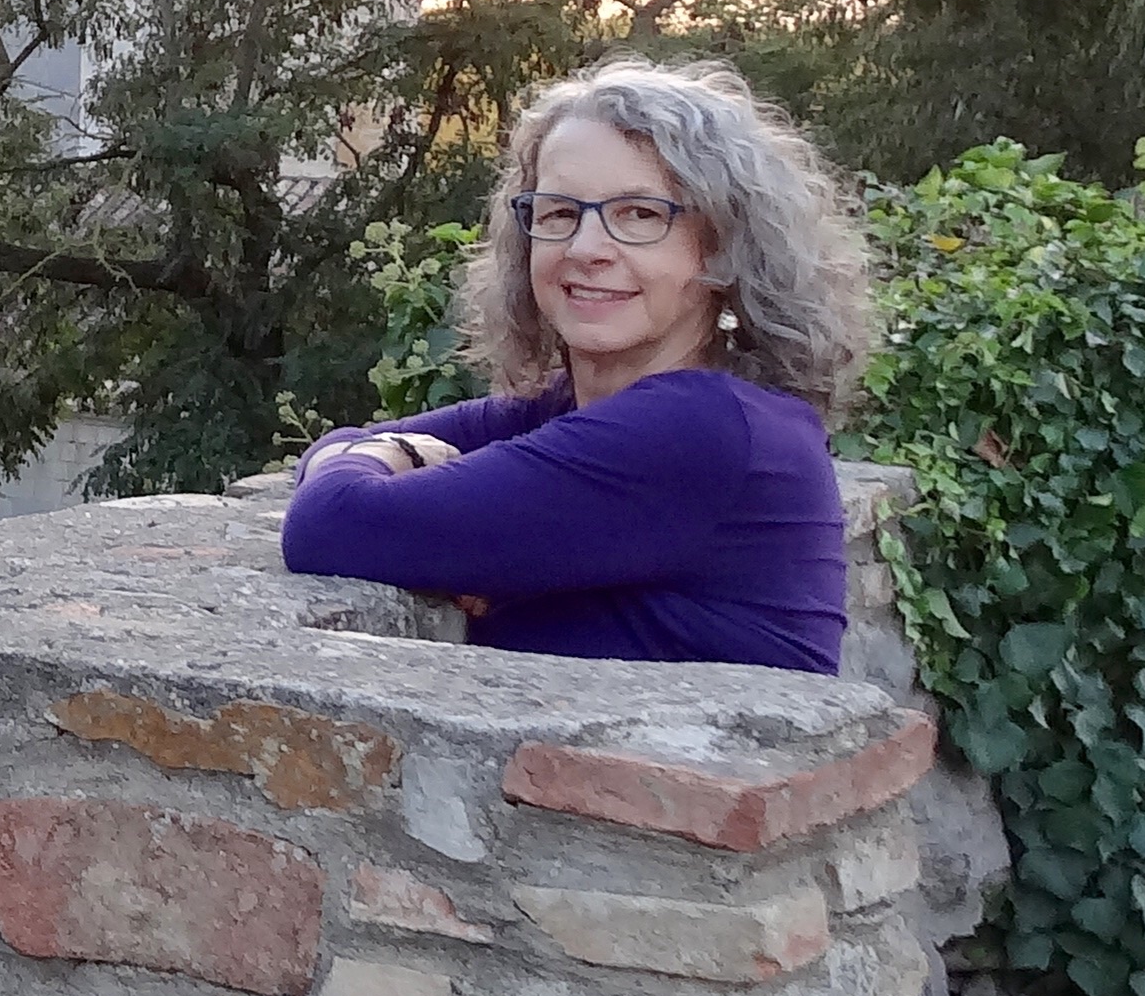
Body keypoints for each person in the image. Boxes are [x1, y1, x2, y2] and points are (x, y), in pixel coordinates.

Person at [277, 58, 872, 671]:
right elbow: (337, 453)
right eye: (560, 213)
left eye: (640, 214)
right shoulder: (566, 410)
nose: (586, 249)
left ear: (722, 248)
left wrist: (404, 479)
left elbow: (329, 523)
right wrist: (394, 465)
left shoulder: (699, 428)